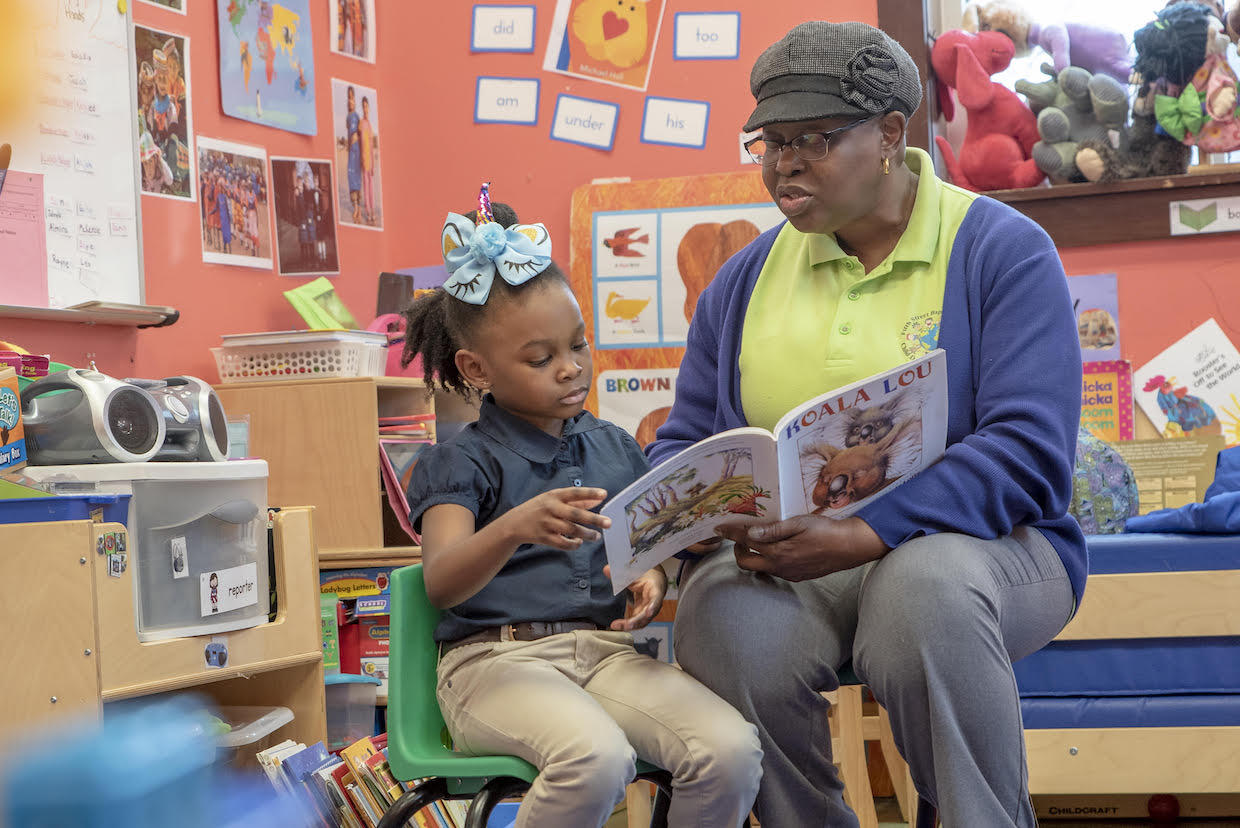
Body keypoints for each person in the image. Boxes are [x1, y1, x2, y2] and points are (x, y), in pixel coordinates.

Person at [647, 21, 1085, 828]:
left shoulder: (1001, 251)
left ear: (890, 133)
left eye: (810, 138)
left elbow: (1029, 454)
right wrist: (677, 529)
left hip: (990, 553)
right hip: (793, 560)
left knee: (924, 594)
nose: (784, 163)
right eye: (769, 141)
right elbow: (689, 442)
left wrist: (869, 531)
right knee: (722, 619)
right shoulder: (740, 282)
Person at [401, 188, 762, 828]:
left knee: (729, 752)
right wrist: (514, 527)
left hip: (605, 655)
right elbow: (442, 580)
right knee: (594, 760)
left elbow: (638, 548)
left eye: (578, 345)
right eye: (541, 359)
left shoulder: (615, 446)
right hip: (493, 664)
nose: (571, 369)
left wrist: (649, 576)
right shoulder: (459, 461)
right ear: (475, 369)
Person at [345, 85, 362, 223]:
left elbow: (360, 133)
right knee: (350, 175)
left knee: (357, 176)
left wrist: (358, 138)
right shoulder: (348, 117)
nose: (351, 101)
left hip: (358, 149)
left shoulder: (357, 116)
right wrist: (348, 145)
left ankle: (359, 207)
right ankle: (355, 205)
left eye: (352, 98)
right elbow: (348, 133)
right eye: (349, 98)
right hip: (351, 149)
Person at [359, 96, 376, 224]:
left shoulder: (370, 124)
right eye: (363, 106)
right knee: (366, 186)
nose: (365, 109)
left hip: (370, 160)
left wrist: (373, 164)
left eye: (367, 106)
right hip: (364, 159)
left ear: (369, 108)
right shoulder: (362, 123)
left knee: (371, 186)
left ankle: (373, 210)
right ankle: (368, 211)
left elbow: (371, 145)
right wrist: (362, 159)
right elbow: (361, 144)